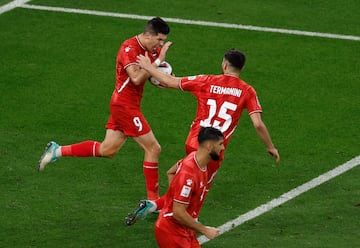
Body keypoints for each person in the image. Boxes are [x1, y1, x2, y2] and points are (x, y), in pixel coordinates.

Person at [125, 48, 280, 224]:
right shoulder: (247, 91)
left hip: (193, 142)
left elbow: (170, 81)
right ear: (241, 69)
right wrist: (270, 147)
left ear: (224, 64)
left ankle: (155, 205)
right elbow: (258, 124)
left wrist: (149, 67)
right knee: (200, 188)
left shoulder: (206, 80)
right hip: (213, 150)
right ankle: (185, 221)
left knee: (183, 178)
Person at [38, 17, 172, 201]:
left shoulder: (152, 50)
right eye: (159, 40)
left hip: (125, 104)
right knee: (153, 148)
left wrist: (167, 78)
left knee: (108, 150)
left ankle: (57, 150)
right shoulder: (129, 48)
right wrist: (155, 65)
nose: (161, 44)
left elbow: (153, 75)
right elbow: (135, 78)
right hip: (124, 105)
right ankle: (153, 201)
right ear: (148, 34)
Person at [155, 127, 223, 247]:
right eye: (220, 144)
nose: (222, 148)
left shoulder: (195, 158)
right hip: (172, 232)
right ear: (209, 146)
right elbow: (177, 212)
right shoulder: (189, 175)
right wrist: (205, 230)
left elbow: (170, 172)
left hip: (185, 229)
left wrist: (174, 195)